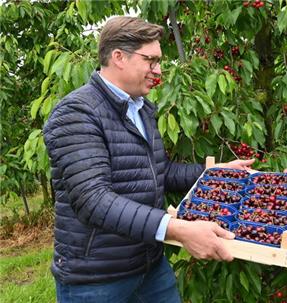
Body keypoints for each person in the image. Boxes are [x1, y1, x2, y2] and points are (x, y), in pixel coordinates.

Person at [43, 16, 253, 303]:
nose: (158, 71)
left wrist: (213, 173)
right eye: (151, 61)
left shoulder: (142, 108)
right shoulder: (77, 114)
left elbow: (159, 172)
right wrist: (176, 229)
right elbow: (93, 200)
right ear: (119, 57)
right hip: (98, 279)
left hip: (150, 266)